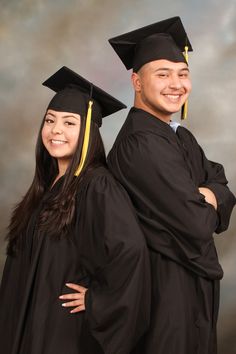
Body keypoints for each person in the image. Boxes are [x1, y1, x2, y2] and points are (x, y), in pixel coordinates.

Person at [107, 16, 236, 354]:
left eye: (182, 74)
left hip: (189, 290)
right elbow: (197, 224)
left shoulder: (178, 136)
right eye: (162, 74)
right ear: (136, 81)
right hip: (163, 296)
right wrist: (209, 195)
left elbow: (221, 181)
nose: (176, 84)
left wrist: (207, 193)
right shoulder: (141, 143)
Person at [0, 66, 151, 354]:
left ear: (88, 132)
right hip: (29, 325)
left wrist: (99, 300)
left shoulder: (97, 185)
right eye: (49, 120)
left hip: (64, 332)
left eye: (70, 123)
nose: (55, 130)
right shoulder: (46, 186)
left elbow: (130, 252)